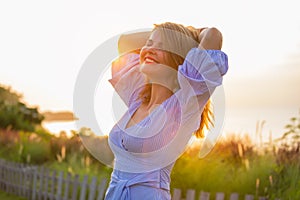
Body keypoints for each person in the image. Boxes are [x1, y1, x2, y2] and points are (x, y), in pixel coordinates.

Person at [104, 22, 228, 200]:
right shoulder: (136, 98)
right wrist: (164, 34)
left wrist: (185, 35)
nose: (150, 49)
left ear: (177, 58)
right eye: (149, 43)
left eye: (162, 47)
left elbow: (213, 36)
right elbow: (125, 42)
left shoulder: (184, 103)